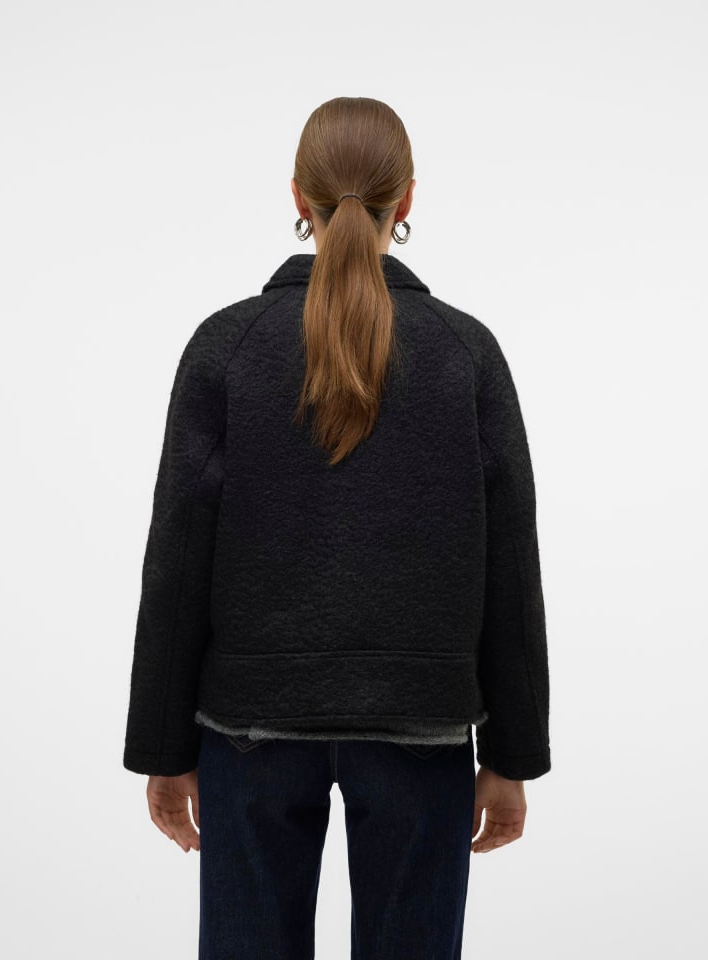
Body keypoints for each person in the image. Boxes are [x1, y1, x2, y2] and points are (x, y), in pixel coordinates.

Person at [123, 96, 551, 960]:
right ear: (408, 200)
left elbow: (176, 563)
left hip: (249, 729)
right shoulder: (465, 353)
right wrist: (512, 755)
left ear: (297, 196)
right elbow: (510, 566)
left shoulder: (226, 347)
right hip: (421, 729)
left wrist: (161, 747)